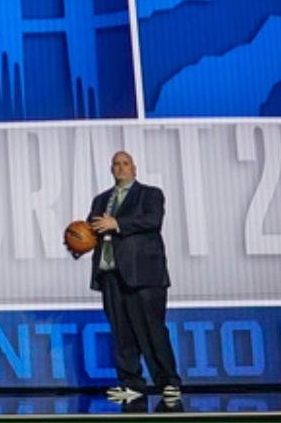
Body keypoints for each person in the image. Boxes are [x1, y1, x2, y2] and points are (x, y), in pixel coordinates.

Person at [78, 151, 180, 404]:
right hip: (110, 274)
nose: (121, 168)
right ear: (111, 169)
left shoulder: (150, 194)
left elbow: (152, 221)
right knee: (121, 333)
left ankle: (168, 382)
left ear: (134, 169)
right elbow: (92, 232)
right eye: (116, 164)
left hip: (144, 276)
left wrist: (117, 224)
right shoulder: (101, 200)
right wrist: (78, 242)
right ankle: (131, 382)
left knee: (153, 330)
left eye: (125, 164)